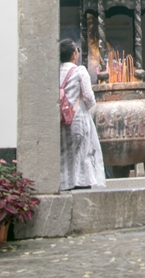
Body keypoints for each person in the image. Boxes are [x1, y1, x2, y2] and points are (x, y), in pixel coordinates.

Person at [59, 38, 106, 191]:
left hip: (60, 120)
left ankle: (64, 185)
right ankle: (80, 184)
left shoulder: (55, 71)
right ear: (74, 54)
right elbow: (89, 98)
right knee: (82, 155)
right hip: (78, 118)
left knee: (64, 156)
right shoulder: (79, 71)